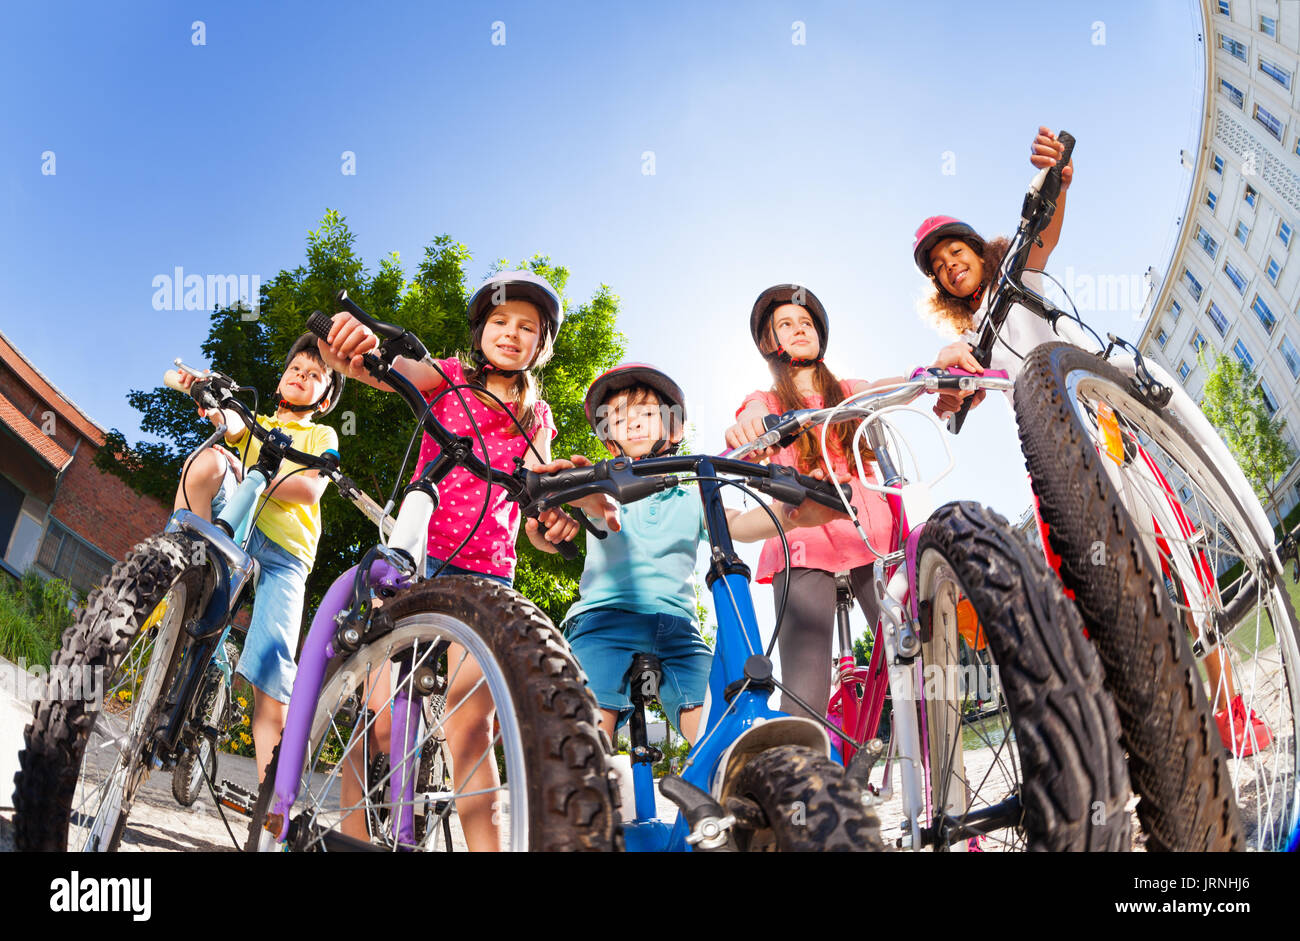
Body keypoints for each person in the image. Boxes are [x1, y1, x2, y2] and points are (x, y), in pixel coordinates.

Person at [914, 126, 1269, 755]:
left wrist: (1060, 183)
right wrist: (945, 378)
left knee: (1179, 567)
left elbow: (1043, 232)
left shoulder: (1016, 277)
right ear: (942, 288)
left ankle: (1227, 711)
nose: (950, 266)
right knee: (1092, 600)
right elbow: (955, 388)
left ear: (976, 248)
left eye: (955, 252)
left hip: (1105, 431)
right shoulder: (973, 341)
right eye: (940, 268)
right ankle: (1142, 735)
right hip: (1050, 459)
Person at [320, 269, 605, 850]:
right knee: (376, 716)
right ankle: (354, 838)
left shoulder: (537, 417)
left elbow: (537, 520)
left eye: (527, 327)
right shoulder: (447, 379)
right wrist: (356, 348)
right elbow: (388, 368)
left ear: (541, 345)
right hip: (416, 563)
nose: (511, 333)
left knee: (470, 726)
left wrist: (553, 520)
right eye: (500, 321)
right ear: (479, 333)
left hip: (489, 578)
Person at [537, 363, 849, 744]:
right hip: (604, 621)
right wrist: (559, 507)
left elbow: (738, 525)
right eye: (618, 418)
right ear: (608, 439)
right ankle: (585, 785)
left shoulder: (693, 491)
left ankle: (723, 775)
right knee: (588, 723)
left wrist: (793, 516)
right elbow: (571, 512)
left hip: (677, 628)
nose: (632, 423)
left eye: (647, 414)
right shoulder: (601, 489)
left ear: (675, 429)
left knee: (717, 722)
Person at [724, 286, 902, 722]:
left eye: (806, 323)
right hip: (802, 535)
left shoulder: (846, 390)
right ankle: (806, 787)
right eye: (786, 324)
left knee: (913, 660)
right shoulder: (766, 401)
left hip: (869, 531)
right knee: (806, 690)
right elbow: (749, 418)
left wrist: (927, 374)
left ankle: (937, 771)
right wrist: (749, 429)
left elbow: (882, 389)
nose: (799, 329)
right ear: (770, 344)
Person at [172, 335, 343, 782]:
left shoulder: (321, 434)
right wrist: (209, 397)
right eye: (295, 370)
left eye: (315, 375)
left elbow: (310, 488)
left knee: (271, 670)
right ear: (280, 380)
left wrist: (258, 474)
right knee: (206, 462)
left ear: (325, 398)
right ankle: (178, 563)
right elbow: (229, 422)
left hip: (287, 555)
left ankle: (273, 806)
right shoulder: (256, 422)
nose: (302, 378)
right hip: (242, 529)